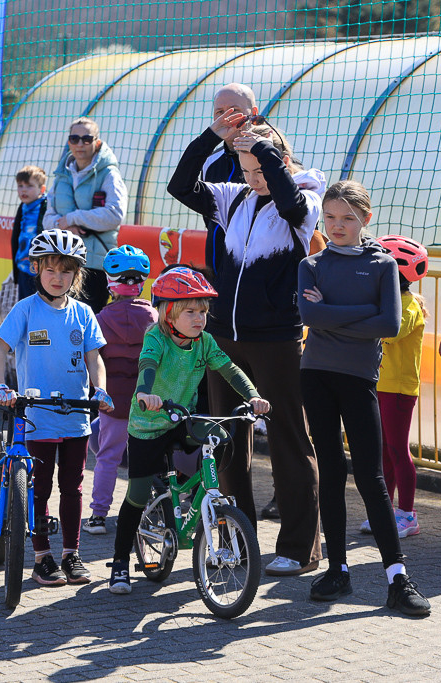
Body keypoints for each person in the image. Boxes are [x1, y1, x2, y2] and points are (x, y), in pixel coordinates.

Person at [167, 107, 324, 578]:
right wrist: (213, 136)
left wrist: (260, 148)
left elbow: (289, 201)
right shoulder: (232, 197)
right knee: (227, 439)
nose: (254, 178)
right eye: (247, 170)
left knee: (288, 440)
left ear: (280, 162)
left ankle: (299, 547)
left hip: (275, 340)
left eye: (262, 169)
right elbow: (180, 185)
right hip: (225, 340)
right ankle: (238, 540)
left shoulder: (304, 201)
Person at [297, 180, 430, 617]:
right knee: (332, 472)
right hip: (315, 375)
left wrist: (332, 314)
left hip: (358, 379)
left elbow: (390, 324)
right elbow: (309, 315)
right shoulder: (312, 264)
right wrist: (362, 313)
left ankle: (397, 577)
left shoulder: (383, 265)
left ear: (365, 220)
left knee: (371, 476)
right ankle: (338, 569)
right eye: (330, 217)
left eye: (347, 218)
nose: (337, 225)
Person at [107, 267, 269, 595]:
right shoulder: (157, 337)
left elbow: (229, 368)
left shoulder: (204, 342)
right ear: (168, 314)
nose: (199, 319)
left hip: (182, 419)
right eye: (190, 312)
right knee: (136, 496)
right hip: (150, 423)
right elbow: (147, 366)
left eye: (203, 312)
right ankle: (121, 563)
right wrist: (145, 394)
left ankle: (200, 493)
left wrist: (252, 395)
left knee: (222, 434)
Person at [0, 229, 114, 587]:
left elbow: (95, 359)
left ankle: (71, 554)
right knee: (39, 488)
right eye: (51, 270)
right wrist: (0, 385)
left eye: (67, 271)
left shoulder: (84, 312)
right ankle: (42, 557)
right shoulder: (25, 309)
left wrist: (100, 390)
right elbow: (0, 350)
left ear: (77, 274)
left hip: (76, 415)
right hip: (36, 416)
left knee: (72, 488)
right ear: (36, 269)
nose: (58, 278)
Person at [83, 245, 157, 535]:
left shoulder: (100, 320)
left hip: (112, 402)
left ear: (110, 283)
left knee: (106, 457)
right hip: (147, 402)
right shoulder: (154, 319)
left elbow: (91, 360)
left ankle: (99, 516)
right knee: (147, 458)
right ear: (142, 283)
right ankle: (149, 511)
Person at [368, 235, 429, 538]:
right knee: (383, 450)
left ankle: (408, 514)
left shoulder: (409, 306)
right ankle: (386, 509)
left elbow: (390, 332)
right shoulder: (389, 302)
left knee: (397, 449)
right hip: (381, 384)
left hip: (400, 389)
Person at [43, 117, 128, 313]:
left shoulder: (109, 174)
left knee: (87, 328)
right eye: (74, 138)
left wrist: (73, 218)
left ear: (97, 143)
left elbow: (114, 214)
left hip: (94, 266)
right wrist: (65, 227)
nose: (80, 144)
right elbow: (48, 220)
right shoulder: (61, 176)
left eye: (86, 139)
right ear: (69, 142)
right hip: (61, 262)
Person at [12, 165, 48, 300]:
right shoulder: (23, 207)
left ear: (42, 189)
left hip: (39, 271)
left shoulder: (46, 206)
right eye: (20, 186)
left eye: (29, 186)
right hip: (23, 268)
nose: (23, 190)